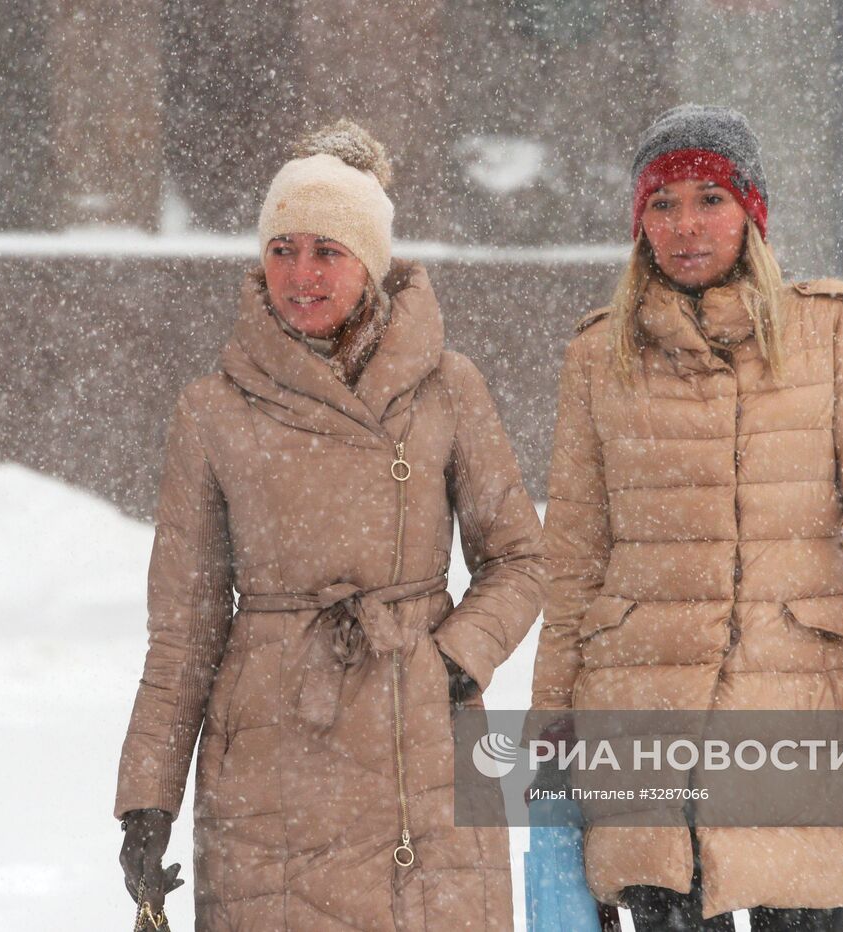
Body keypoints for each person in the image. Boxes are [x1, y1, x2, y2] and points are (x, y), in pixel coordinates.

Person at [530, 105, 843, 931]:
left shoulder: (831, 333)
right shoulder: (599, 357)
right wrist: (554, 728)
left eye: (711, 199)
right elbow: (573, 562)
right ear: (639, 224)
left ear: (753, 211)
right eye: (662, 205)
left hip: (801, 708)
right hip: (644, 712)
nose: (686, 225)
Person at [114, 119, 546, 930]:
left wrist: (452, 661)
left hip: (419, 742)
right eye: (282, 249)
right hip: (271, 755)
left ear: (370, 263)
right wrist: (147, 797)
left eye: (327, 252)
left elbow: (520, 558)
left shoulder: (446, 387)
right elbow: (185, 628)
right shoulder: (212, 409)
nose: (300, 275)